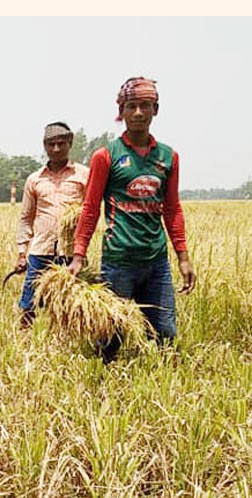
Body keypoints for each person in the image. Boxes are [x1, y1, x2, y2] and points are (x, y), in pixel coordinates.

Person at [67, 76, 197, 362]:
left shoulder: (168, 156)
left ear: (156, 110)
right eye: (131, 106)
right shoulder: (106, 156)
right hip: (118, 262)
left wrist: (183, 258)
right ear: (121, 111)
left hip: (156, 262)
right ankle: (103, 386)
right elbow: (90, 208)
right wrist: (78, 255)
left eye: (145, 106)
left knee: (165, 333)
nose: (138, 113)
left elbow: (172, 209)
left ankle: (163, 389)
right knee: (111, 335)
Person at [15, 122, 89, 327]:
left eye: (61, 144)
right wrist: (22, 252)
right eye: (51, 144)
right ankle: (25, 341)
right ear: (44, 146)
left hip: (71, 252)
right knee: (29, 303)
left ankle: (64, 341)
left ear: (70, 143)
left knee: (72, 302)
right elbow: (26, 217)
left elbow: (91, 211)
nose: (56, 149)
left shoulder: (83, 175)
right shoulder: (35, 179)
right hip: (40, 250)